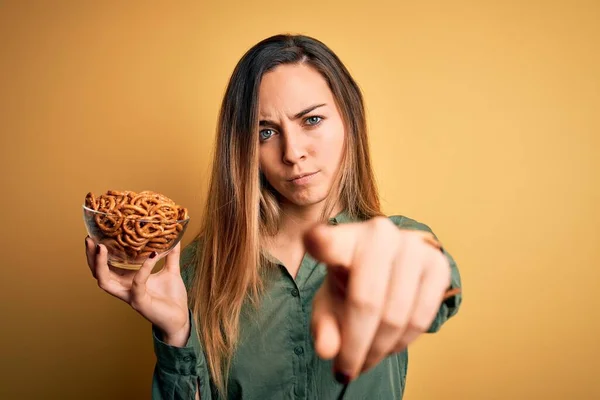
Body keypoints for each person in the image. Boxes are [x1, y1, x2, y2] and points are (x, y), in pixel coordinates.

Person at [84, 33, 462, 400]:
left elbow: (435, 278)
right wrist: (176, 331)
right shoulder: (196, 270)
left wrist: (417, 271)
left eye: (311, 120)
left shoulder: (394, 238)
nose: (293, 152)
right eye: (265, 132)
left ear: (349, 119)